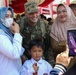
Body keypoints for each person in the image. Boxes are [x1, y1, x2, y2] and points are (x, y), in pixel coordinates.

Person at [0, 7, 24, 75]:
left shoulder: (7, 33)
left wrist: (14, 34)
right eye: (6, 16)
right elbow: (15, 53)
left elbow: (20, 51)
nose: (9, 19)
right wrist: (17, 33)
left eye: (11, 16)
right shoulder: (1, 35)